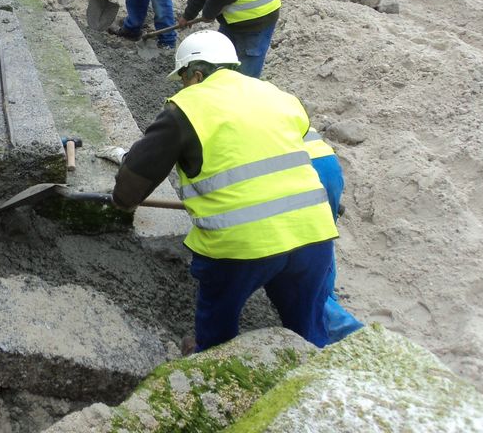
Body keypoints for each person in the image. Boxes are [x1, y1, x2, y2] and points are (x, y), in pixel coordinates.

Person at [112, 31, 338, 352]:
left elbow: (134, 180)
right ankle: (312, 373)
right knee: (307, 329)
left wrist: (121, 201)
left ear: (196, 74)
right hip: (313, 235)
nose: (182, 86)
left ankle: (210, 358)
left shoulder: (186, 107)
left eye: (183, 78)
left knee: (217, 323)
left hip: (241, 245)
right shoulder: (275, 94)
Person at [303, 127, 364, 343]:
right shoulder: (266, 94)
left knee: (293, 260)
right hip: (326, 163)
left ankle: (341, 328)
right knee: (322, 240)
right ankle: (328, 295)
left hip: (295, 170)